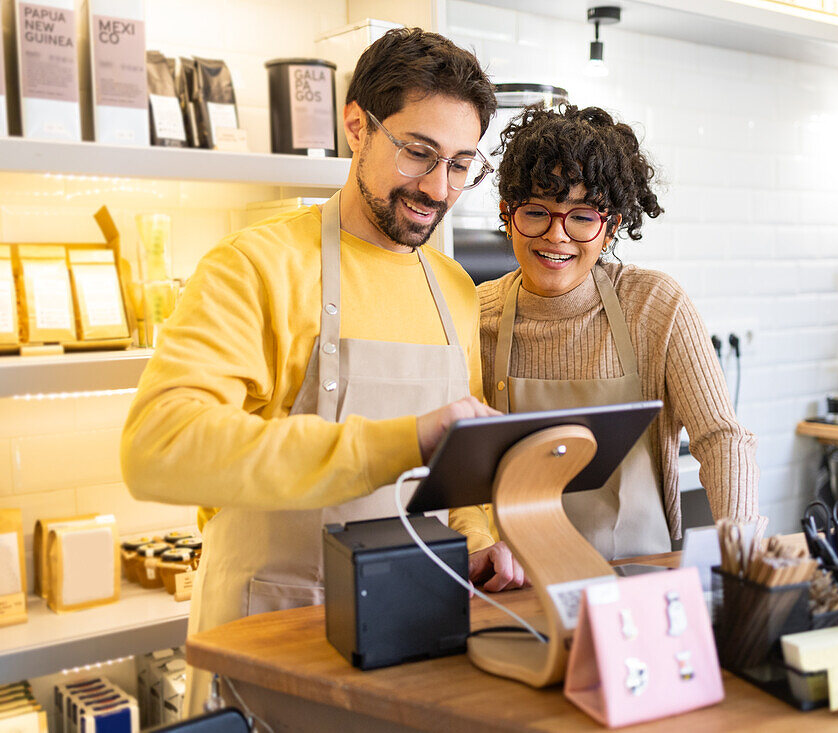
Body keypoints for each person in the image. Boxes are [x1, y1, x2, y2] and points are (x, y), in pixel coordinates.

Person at [120, 28, 499, 714]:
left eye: (461, 165)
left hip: (412, 626)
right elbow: (158, 446)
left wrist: (482, 538)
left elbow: (456, 464)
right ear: (356, 125)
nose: (437, 188)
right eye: (418, 153)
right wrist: (399, 440)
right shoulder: (254, 266)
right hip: (270, 628)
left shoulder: (455, 290)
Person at [453, 105, 760, 590]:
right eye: (536, 212)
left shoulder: (655, 306)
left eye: (581, 217)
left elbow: (721, 438)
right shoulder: (474, 313)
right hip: (520, 586)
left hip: (638, 578)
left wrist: (738, 553)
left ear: (611, 225)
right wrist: (476, 545)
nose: (556, 235)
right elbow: (458, 476)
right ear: (507, 216)